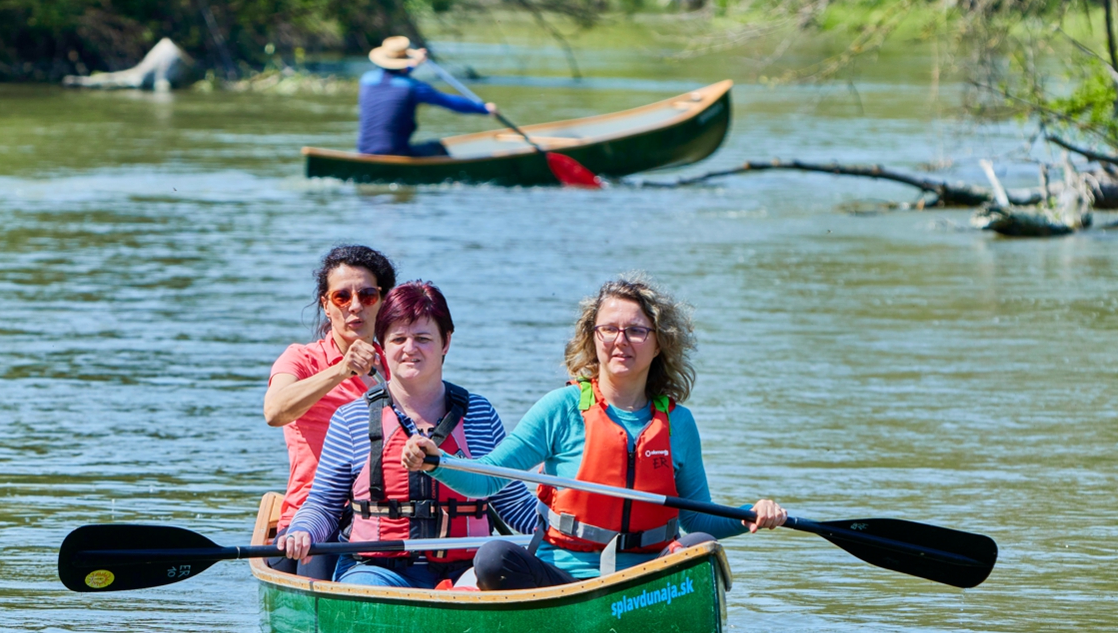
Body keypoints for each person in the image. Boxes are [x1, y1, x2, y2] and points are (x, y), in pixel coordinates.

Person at [402, 277, 788, 590]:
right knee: (492, 557)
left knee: (702, 549)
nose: (621, 341)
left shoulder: (679, 424)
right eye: (609, 330)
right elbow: (487, 479)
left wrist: (749, 517)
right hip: (562, 580)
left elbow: (698, 519)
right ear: (592, 338)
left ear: (659, 344)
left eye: (636, 331)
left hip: (646, 579)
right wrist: (436, 461)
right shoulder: (561, 408)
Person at [278, 281, 541, 588]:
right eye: (398, 339)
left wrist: (570, 534)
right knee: (369, 588)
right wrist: (303, 531)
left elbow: (514, 504)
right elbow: (323, 505)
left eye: (423, 338)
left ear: (446, 343)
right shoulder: (351, 418)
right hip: (377, 569)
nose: (409, 349)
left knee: (487, 583)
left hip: (466, 571)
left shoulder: (479, 414)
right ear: (382, 346)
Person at [263, 245, 396, 578]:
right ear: (326, 304)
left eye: (367, 295)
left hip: (384, 518)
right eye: (342, 297)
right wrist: (340, 371)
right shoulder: (300, 359)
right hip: (311, 517)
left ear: (382, 301)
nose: (355, 307)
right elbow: (275, 411)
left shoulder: (400, 363)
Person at [358, 36, 496, 158]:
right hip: (396, 153)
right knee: (437, 148)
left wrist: (414, 63)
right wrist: (484, 109)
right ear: (405, 62)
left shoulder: (366, 80)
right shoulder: (414, 88)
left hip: (365, 152)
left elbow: (396, 75)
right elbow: (450, 102)